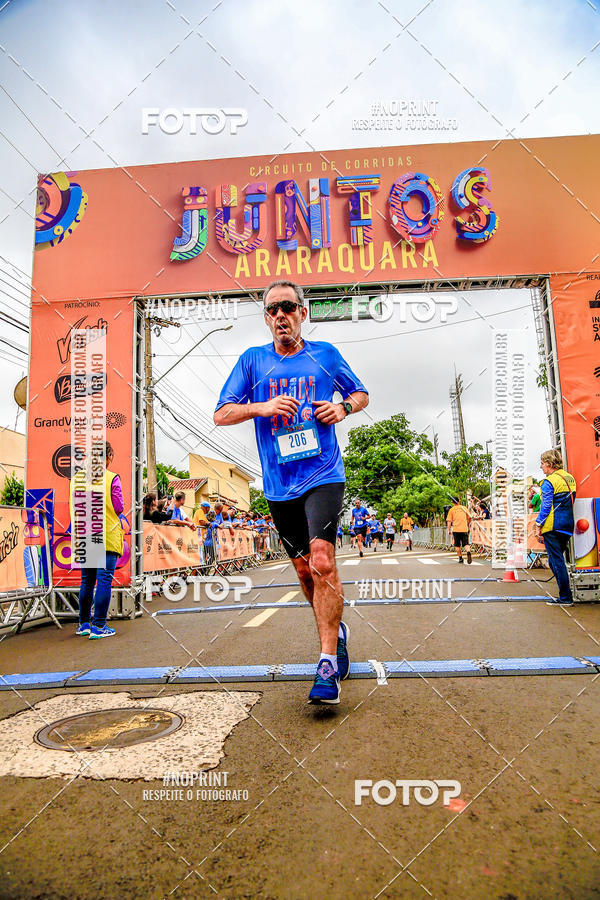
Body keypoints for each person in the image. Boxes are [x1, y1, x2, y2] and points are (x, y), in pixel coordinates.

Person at [214, 279, 368, 704]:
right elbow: (221, 413)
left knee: (322, 559)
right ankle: (335, 631)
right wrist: (260, 406)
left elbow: (361, 393)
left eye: (287, 307)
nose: (280, 315)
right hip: (279, 485)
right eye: (272, 310)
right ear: (266, 319)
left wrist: (342, 407)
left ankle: (325, 665)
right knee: (303, 572)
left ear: (303, 313)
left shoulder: (325, 355)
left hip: (323, 474)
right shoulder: (252, 361)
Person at [70, 441, 124, 639]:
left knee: (86, 581)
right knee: (104, 580)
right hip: (107, 534)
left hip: (85, 535)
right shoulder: (111, 478)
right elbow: (118, 507)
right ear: (108, 457)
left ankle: (83, 623)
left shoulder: (77, 479)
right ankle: (99, 626)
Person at [534, 449, 576, 605]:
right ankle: (565, 593)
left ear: (550, 464)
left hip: (552, 526)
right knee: (554, 561)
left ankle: (565, 597)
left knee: (556, 561)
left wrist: (538, 524)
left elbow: (546, 506)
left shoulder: (548, 482)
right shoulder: (570, 478)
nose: (541, 466)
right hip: (567, 525)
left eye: (543, 463)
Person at [447, 497, 472, 564]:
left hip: (456, 529)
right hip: (464, 529)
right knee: (466, 544)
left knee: (457, 545)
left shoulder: (451, 510)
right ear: (459, 501)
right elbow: (469, 517)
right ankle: (468, 551)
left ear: (452, 502)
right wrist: (467, 524)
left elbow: (449, 521)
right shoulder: (464, 508)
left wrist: (449, 529)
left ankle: (460, 558)